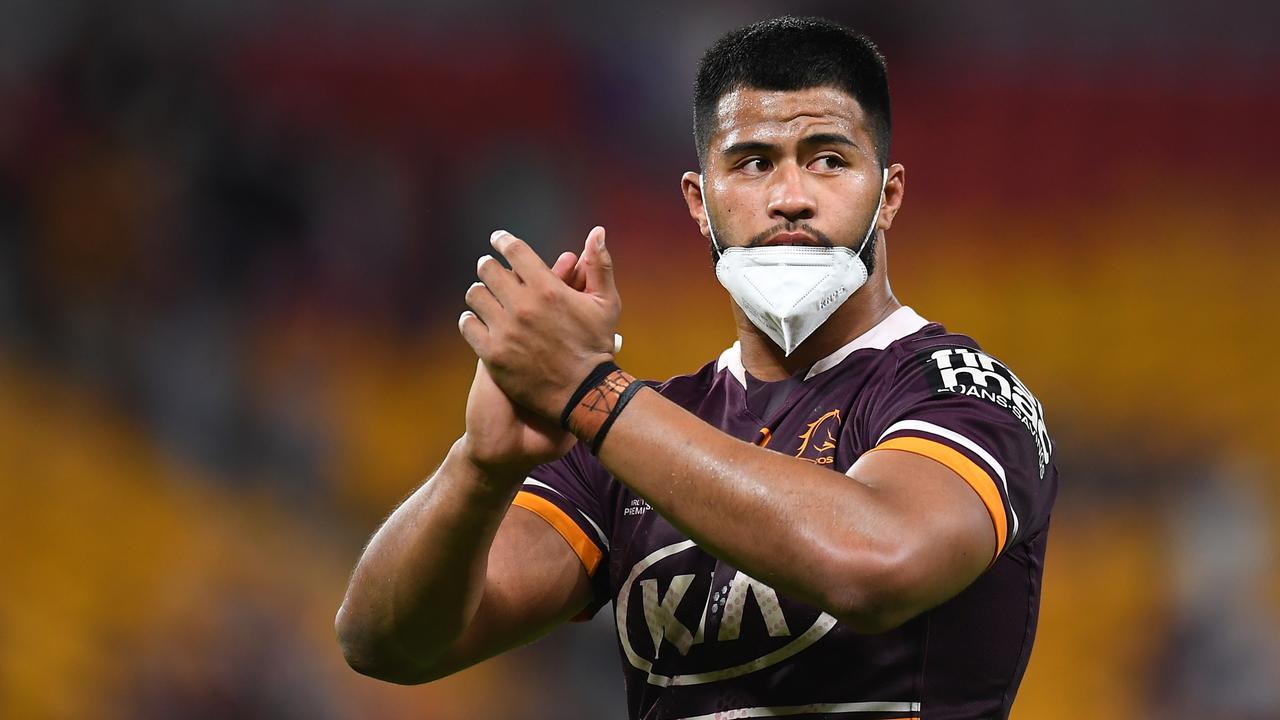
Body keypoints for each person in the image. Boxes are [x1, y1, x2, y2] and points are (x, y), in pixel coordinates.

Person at [337, 15, 1058, 720]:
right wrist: (480, 468)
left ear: (889, 195)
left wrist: (592, 395)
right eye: (752, 163)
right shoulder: (641, 432)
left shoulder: (960, 392)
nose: (791, 197)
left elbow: (876, 563)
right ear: (699, 201)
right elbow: (384, 644)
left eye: (829, 159)